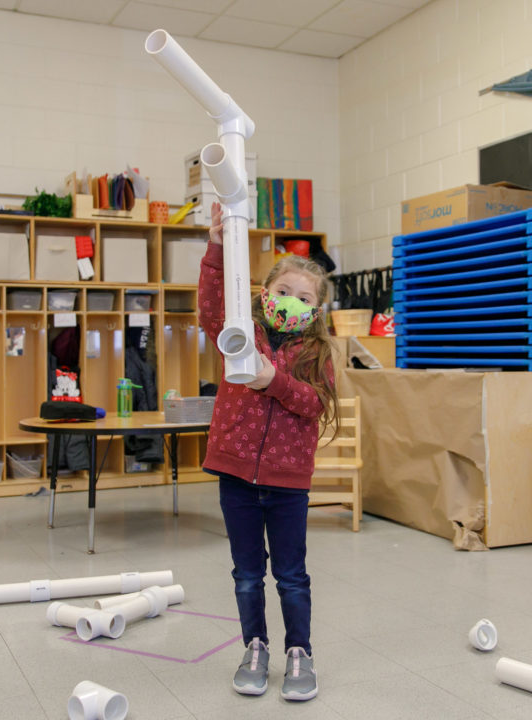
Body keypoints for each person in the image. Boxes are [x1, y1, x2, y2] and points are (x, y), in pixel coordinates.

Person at [198, 201, 339, 702]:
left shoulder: (316, 352)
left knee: (291, 574)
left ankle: (298, 651)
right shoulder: (243, 333)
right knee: (246, 573)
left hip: (287, 482)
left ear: (317, 310)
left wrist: (273, 379)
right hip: (235, 474)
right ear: (264, 294)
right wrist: (216, 246)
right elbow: (212, 306)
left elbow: (312, 403)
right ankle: (254, 647)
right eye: (284, 292)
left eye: (304, 298)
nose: (292, 302)